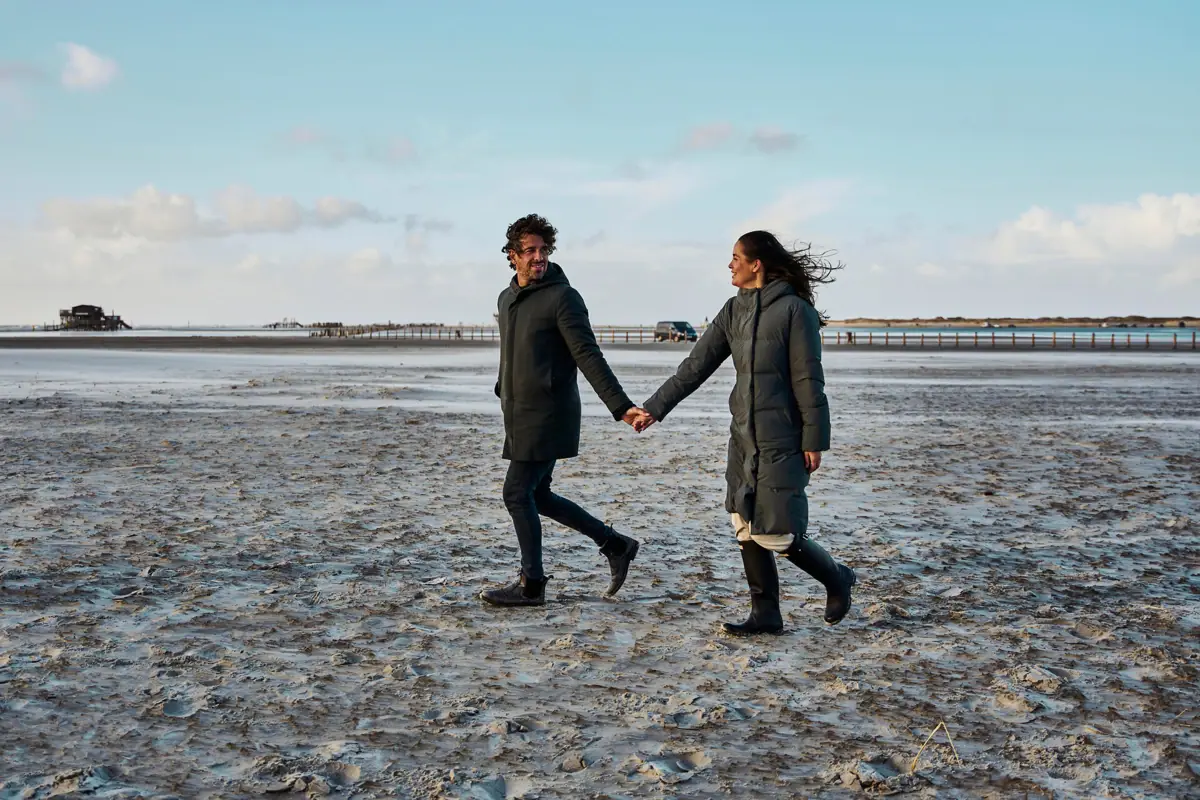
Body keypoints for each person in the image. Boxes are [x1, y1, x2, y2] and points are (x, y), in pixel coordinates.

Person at [632, 231, 856, 635]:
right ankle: (765, 613)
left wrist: (814, 438)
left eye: (736, 257)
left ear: (757, 264)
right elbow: (694, 367)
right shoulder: (733, 310)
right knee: (743, 521)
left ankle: (837, 578)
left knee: (779, 532)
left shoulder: (794, 310)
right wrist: (653, 408)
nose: (730, 265)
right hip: (743, 435)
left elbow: (809, 379)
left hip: (782, 435)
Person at [481, 213, 645, 607]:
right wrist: (503, 387)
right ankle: (615, 544)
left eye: (544, 250)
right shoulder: (507, 298)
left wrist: (620, 406)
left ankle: (532, 584)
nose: (539, 257)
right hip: (519, 412)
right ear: (512, 256)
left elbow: (587, 355)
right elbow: (511, 352)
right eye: (530, 251)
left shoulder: (563, 298)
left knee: (517, 493)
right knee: (538, 495)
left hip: (549, 413)